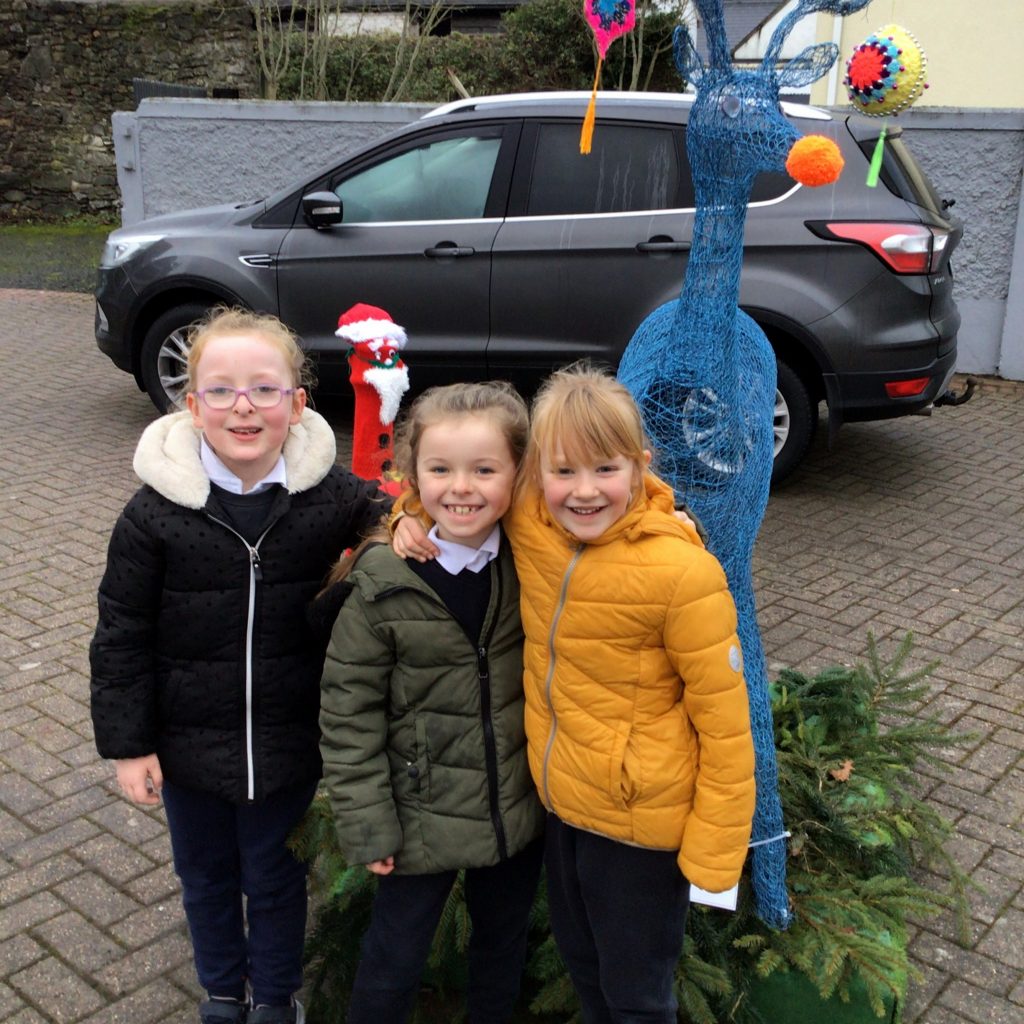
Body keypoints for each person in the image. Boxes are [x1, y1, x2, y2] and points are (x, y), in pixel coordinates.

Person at [395, 364, 756, 1024]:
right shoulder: (537, 526)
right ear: (538, 475)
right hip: (563, 803)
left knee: (637, 994)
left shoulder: (682, 574)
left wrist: (714, 852)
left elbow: (727, 726)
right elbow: (463, 490)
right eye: (563, 471)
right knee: (585, 965)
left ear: (640, 467)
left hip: (640, 828)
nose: (584, 492)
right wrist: (407, 515)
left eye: (606, 470)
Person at [89, 308, 390, 1024]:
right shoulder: (153, 513)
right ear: (192, 407)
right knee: (206, 877)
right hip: (188, 745)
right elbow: (121, 633)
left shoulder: (332, 499)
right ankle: (223, 990)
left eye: (264, 388)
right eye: (220, 391)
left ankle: (277, 996)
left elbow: (403, 522)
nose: (243, 407)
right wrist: (129, 744)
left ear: (297, 403)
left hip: (289, 743)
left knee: (277, 877)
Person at [318, 381, 546, 1024]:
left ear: (517, 474)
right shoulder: (385, 581)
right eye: (440, 469)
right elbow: (347, 712)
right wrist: (367, 822)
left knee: (501, 950)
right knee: (394, 957)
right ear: (412, 473)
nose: (461, 488)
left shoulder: (535, 560)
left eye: (484, 469)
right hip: (418, 814)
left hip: (514, 809)